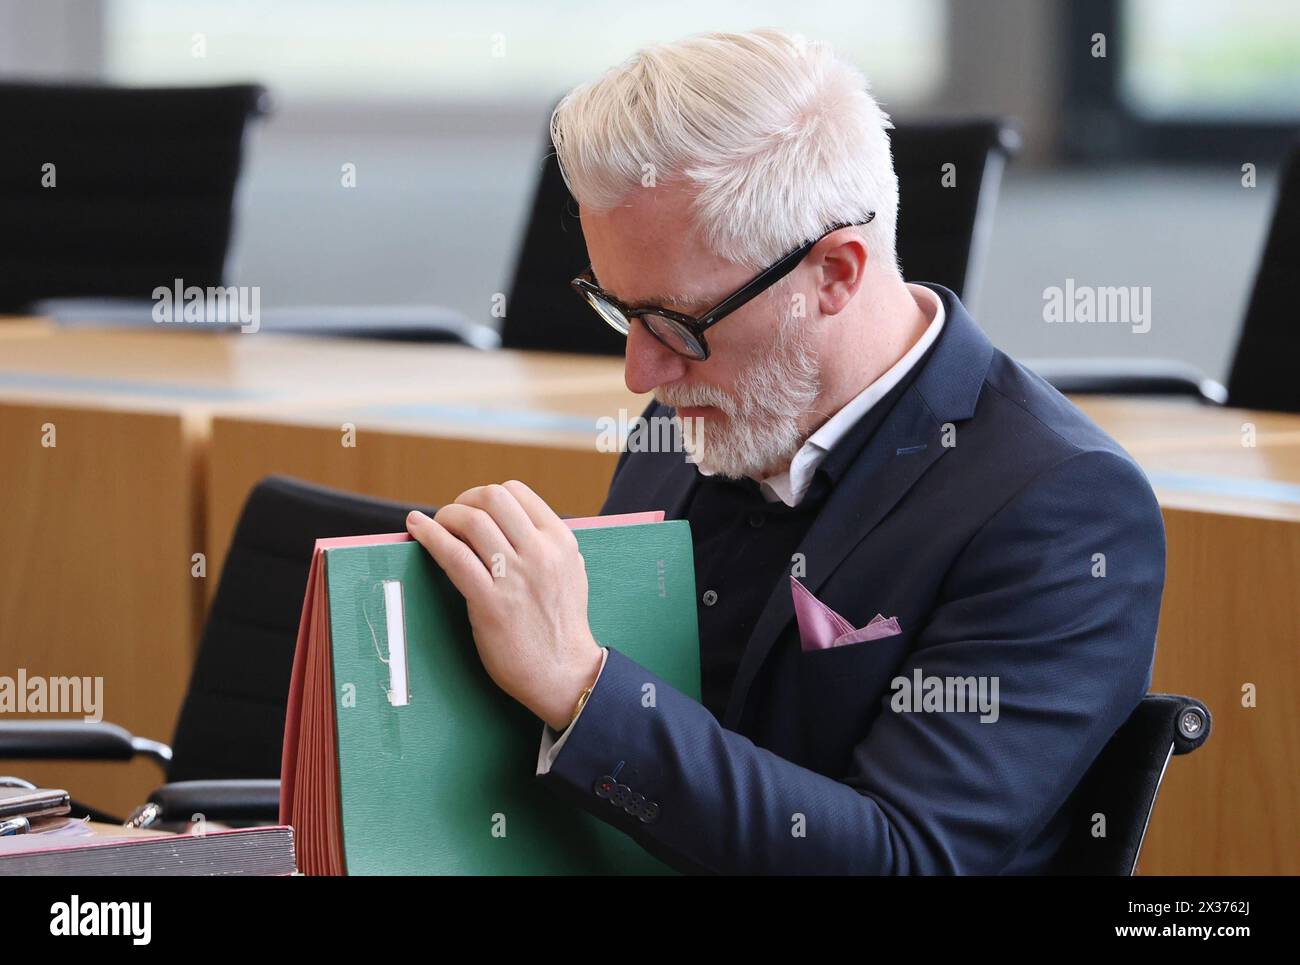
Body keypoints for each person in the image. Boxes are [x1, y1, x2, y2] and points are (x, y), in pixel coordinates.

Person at [405, 29, 1165, 874]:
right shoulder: (687, 413)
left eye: (677, 321)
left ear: (836, 273)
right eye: (619, 311)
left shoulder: (1062, 508)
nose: (640, 372)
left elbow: (904, 857)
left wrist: (583, 689)